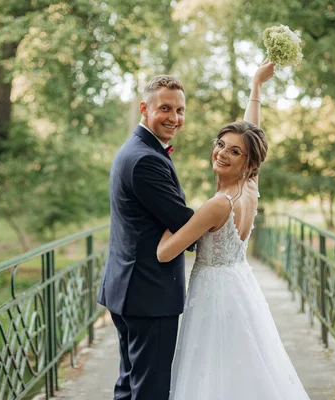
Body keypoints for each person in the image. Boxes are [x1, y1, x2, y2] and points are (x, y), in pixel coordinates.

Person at [158, 59, 311, 399]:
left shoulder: (217, 205)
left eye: (234, 152)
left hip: (213, 295)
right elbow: (251, 129)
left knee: (212, 370)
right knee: (244, 366)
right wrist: (255, 86)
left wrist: (167, 215)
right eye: (221, 145)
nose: (223, 154)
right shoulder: (250, 189)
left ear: (249, 163)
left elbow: (166, 251)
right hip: (240, 285)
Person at [97, 75, 194, 400]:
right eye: (165, 108)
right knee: (149, 391)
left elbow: (173, 219)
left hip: (130, 289)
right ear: (145, 107)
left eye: (180, 110)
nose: (174, 118)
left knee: (130, 385)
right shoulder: (145, 160)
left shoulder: (137, 150)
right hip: (148, 295)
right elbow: (184, 226)